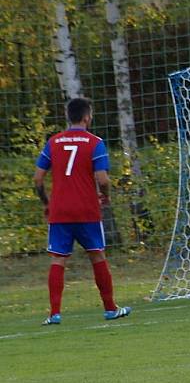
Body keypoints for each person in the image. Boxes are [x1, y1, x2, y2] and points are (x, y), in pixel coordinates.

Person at [33, 97, 131, 325]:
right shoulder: (95, 142)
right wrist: (105, 194)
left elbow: (38, 178)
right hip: (87, 209)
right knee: (97, 255)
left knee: (58, 259)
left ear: (68, 117)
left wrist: (46, 202)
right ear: (87, 117)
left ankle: (54, 313)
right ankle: (110, 309)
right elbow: (102, 178)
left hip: (60, 211)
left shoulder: (54, 142)